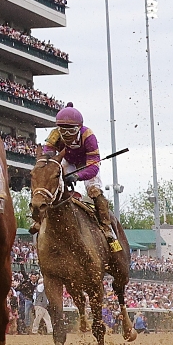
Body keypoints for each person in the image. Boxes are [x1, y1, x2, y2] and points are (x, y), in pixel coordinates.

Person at [38, 105, 125, 251]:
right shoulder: (54, 134)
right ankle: (40, 218)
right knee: (52, 182)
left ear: (79, 128)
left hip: (87, 163)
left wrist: (78, 176)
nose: (66, 134)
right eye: (62, 129)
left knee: (94, 191)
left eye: (70, 130)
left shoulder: (89, 136)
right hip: (67, 160)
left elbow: (94, 166)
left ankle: (106, 227)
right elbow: (48, 152)